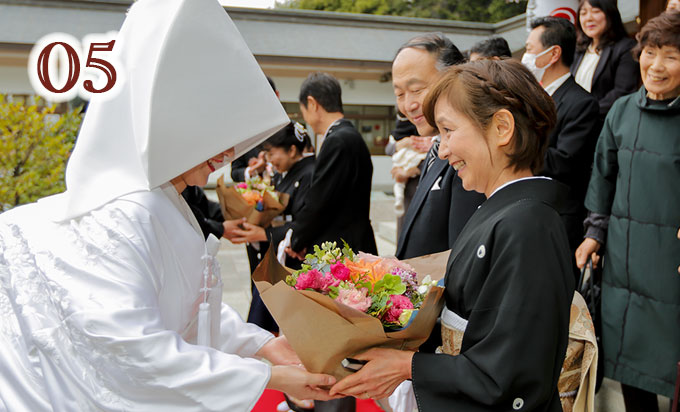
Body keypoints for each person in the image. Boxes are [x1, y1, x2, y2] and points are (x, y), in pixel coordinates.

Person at [0, 0, 338, 410]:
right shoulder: (121, 214)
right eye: (214, 133)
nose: (228, 151)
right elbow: (134, 353)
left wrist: (262, 344)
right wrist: (267, 375)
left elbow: (189, 307)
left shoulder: (161, 197)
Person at [329, 59, 575, 412]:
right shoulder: (507, 213)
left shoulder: (526, 225)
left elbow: (510, 373)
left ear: (502, 127)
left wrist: (406, 366)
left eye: (447, 131)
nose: (442, 151)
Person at [574, 11, 680, 412]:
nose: (656, 65)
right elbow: (603, 176)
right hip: (623, 260)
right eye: (650, 52)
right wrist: (594, 232)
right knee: (629, 361)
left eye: (671, 56)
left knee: (670, 360)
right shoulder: (621, 111)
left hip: (670, 262)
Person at [284, 72, 378, 412]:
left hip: (341, 250)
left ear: (312, 103)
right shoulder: (348, 136)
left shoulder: (339, 139)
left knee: (335, 339)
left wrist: (297, 238)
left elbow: (320, 199)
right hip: (349, 243)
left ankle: (331, 404)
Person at [392, 33, 485, 260]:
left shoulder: (467, 153)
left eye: (416, 90)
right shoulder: (436, 146)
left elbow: (461, 256)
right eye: (399, 94)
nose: (408, 105)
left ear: (454, 79)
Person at [225, 122, 316, 332]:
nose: (270, 161)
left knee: (279, 322)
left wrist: (264, 233)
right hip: (278, 254)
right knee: (266, 318)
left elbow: (305, 222)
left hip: (293, 258)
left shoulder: (309, 173)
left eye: (271, 153)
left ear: (292, 150)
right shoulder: (288, 171)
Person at [524, 16, 600, 261]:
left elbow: (564, 161)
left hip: (557, 217)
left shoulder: (582, 103)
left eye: (529, 50)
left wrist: (516, 148)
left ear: (554, 53)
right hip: (525, 208)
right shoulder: (530, 97)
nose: (525, 56)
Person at [571, 0, 639, 120]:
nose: (588, 18)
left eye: (595, 11)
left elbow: (621, 92)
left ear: (610, 14)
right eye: (583, 13)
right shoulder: (580, 49)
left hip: (603, 123)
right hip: (576, 120)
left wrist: (584, 114)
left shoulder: (626, 48)